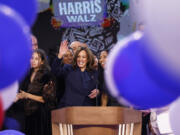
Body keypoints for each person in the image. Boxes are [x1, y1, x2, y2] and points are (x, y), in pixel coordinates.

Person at [16, 49, 56, 135]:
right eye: (32, 58)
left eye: (36, 59)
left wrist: (27, 95)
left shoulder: (47, 75)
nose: (33, 61)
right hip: (28, 112)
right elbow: (23, 92)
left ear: (42, 61)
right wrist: (18, 96)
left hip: (41, 114)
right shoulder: (28, 74)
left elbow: (46, 99)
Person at [52, 42, 99, 107]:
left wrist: (98, 91)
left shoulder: (94, 73)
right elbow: (55, 71)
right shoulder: (68, 69)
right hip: (69, 108)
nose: (80, 59)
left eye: (83, 57)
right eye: (78, 57)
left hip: (87, 108)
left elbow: (99, 87)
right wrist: (60, 55)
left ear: (88, 59)